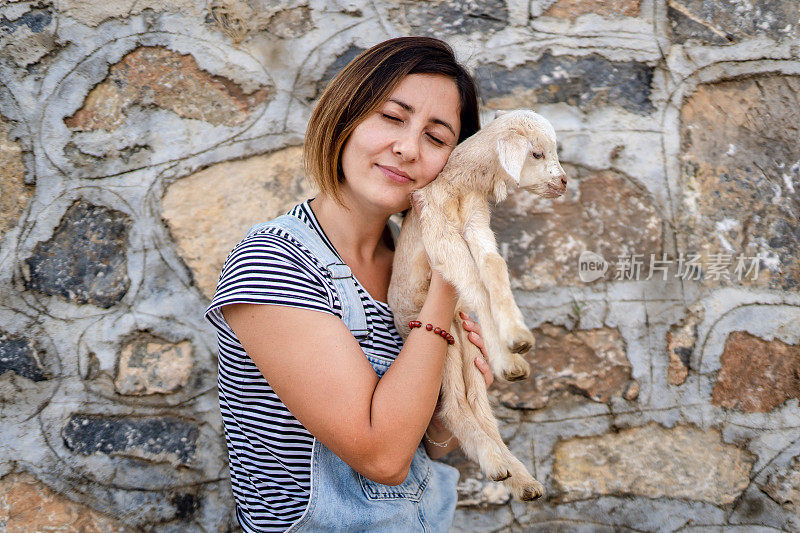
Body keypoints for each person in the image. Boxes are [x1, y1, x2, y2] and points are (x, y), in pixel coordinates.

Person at [205, 36, 496, 532]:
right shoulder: (275, 261)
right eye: (392, 117)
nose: (407, 148)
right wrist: (448, 284)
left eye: (437, 137)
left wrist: (458, 402)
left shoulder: (409, 271)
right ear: (346, 116)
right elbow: (382, 458)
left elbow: (423, 446)